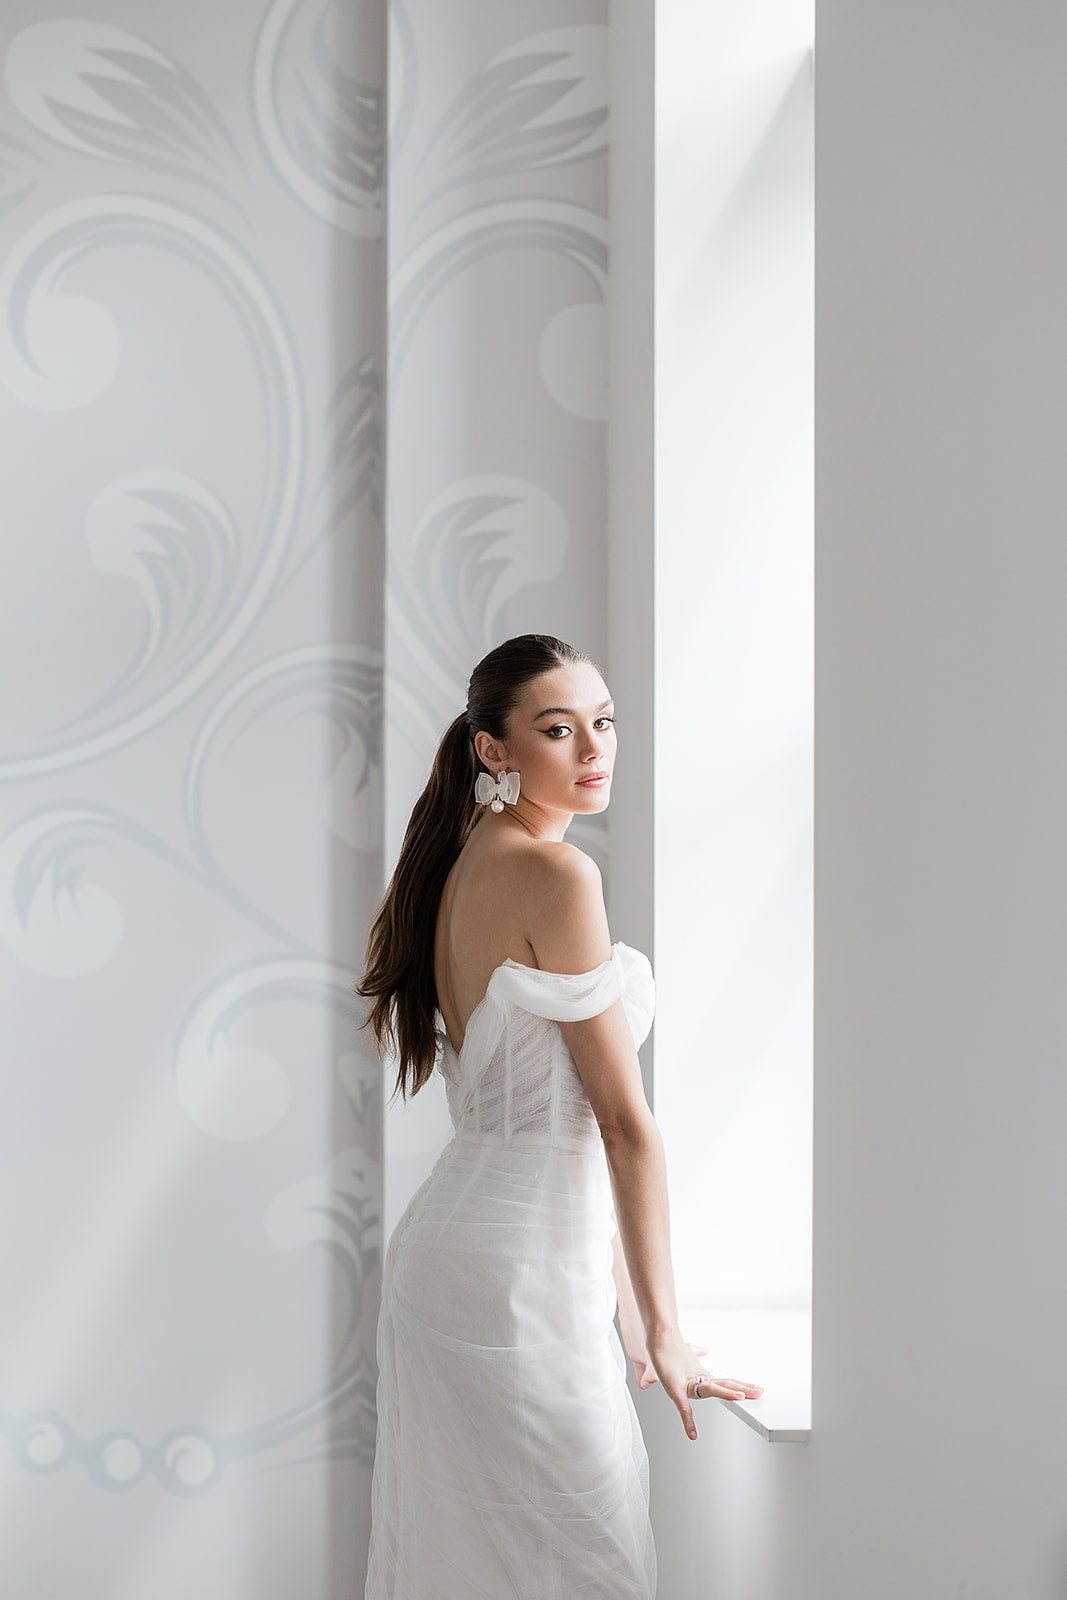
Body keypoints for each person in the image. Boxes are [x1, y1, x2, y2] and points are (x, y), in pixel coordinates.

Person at [357, 633, 762, 1599]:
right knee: (584, 1564)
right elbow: (621, 1127)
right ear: (493, 751)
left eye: (604, 721)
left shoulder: (471, 861)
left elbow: (565, 1125)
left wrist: (624, 1315)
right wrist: (664, 1333)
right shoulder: (555, 874)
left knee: (500, 1562)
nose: (593, 748)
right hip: (513, 1280)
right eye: (557, 729)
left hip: (481, 1256)